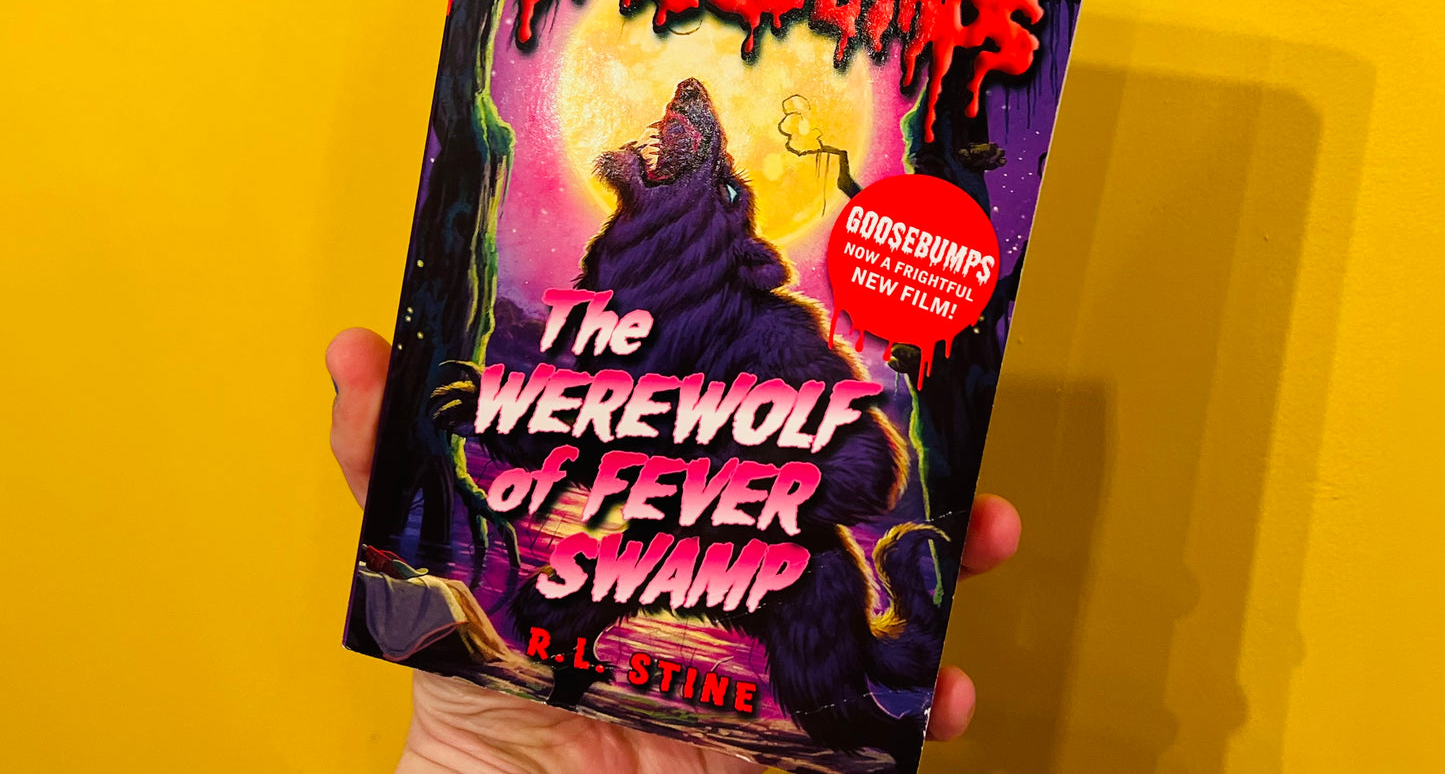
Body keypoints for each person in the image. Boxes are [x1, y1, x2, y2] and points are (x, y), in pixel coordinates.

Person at [327, 327, 1022, 774]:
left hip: (789, 566)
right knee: (551, 612)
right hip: (667, 545)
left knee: (831, 712)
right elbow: (587, 434)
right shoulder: (627, 328)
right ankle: (561, 688)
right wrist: (497, 413)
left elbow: (869, 470)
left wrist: (746, 491)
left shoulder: (774, 332)